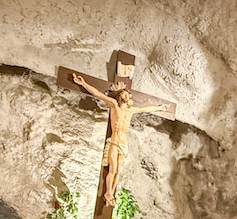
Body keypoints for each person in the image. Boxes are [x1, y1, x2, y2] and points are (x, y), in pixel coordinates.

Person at [72, 73, 169, 206]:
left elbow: (145, 108)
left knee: (118, 170)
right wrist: (83, 84)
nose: (126, 95)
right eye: (123, 93)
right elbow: (98, 94)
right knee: (112, 169)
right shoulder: (114, 105)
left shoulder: (131, 110)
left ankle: (111, 193)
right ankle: (108, 193)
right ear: (119, 96)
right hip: (114, 141)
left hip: (123, 143)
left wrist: (160, 107)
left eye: (127, 94)